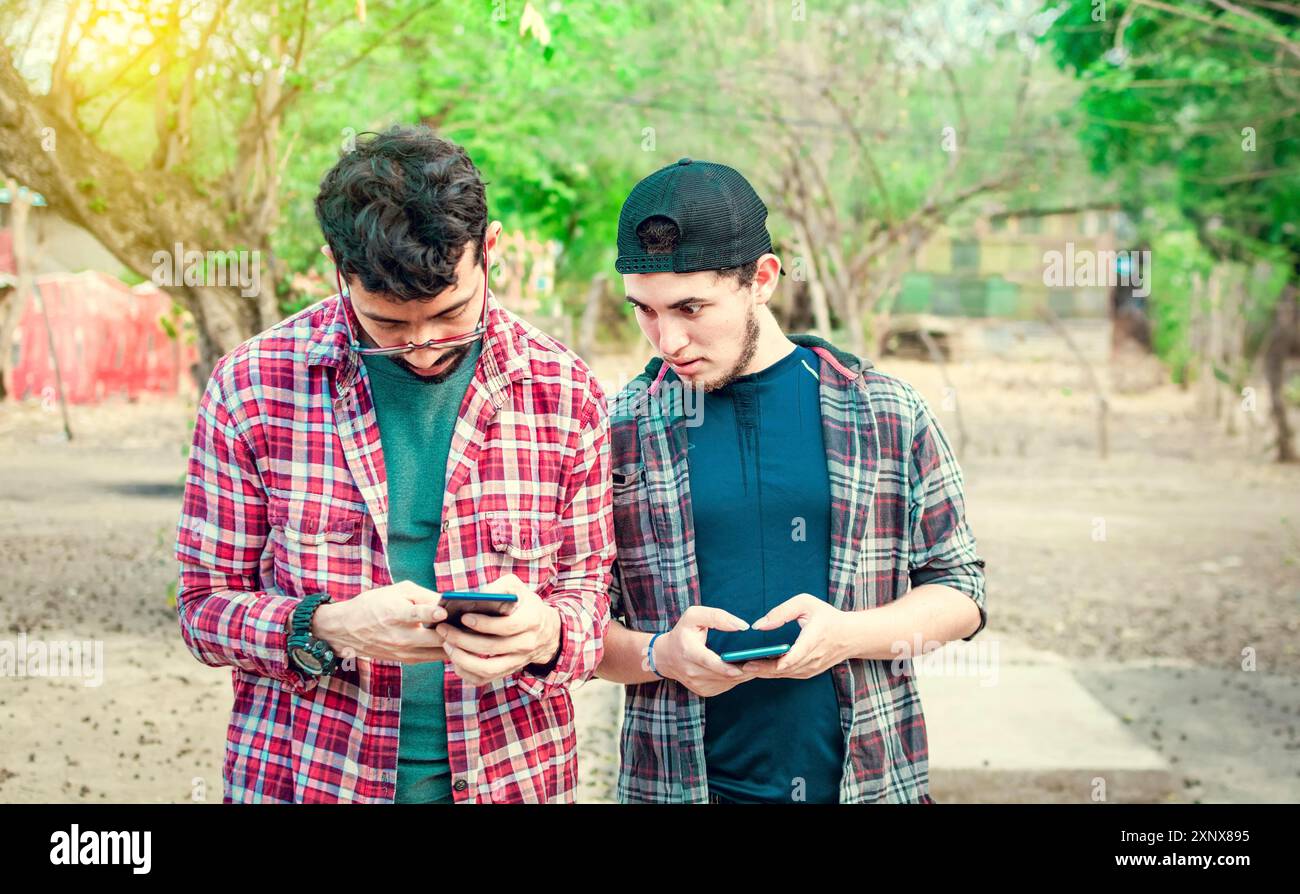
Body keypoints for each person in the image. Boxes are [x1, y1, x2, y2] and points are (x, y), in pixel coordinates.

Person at [175, 125, 614, 803]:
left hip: (515, 780)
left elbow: (589, 597)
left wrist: (549, 634)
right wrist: (326, 626)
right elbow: (202, 611)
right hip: (304, 782)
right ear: (336, 267)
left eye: (449, 314)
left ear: (489, 248)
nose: (421, 346)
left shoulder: (566, 392)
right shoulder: (252, 387)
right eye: (387, 324)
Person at [595, 158, 987, 803]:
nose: (668, 338)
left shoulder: (886, 410)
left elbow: (960, 591)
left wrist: (846, 636)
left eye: (691, 307)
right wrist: (661, 653)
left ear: (762, 279)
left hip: (868, 783)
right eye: (645, 311)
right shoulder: (619, 428)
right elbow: (580, 625)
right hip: (676, 786)